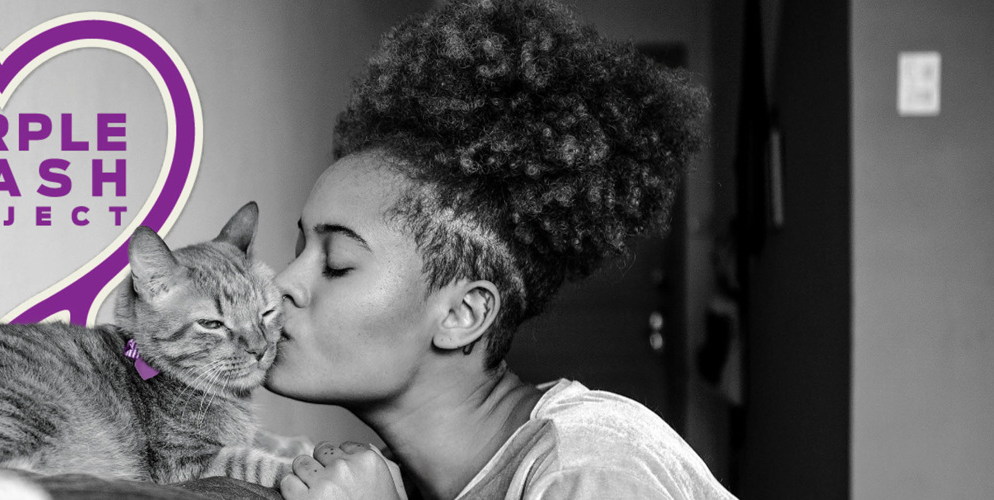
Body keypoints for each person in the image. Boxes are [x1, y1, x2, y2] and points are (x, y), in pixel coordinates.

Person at [262, 0, 734, 499]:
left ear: (463, 313)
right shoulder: (400, 481)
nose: (281, 284)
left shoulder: (590, 470)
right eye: (299, 250)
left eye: (336, 265)